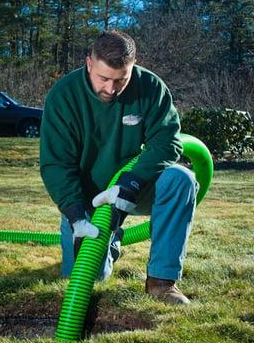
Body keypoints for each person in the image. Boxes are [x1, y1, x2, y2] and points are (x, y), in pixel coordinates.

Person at [39, 31, 198, 305]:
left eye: (120, 80)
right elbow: (56, 163)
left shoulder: (151, 87)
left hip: (135, 187)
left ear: (133, 66)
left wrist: (132, 183)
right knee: (88, 278)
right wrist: (75, 214)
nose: (111, 89)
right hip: (89, 198)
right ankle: (110, 242)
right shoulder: (63, 96)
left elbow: (168, 143)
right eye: (104, 78)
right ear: (89, 63)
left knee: (181, 178)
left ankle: (161, 282)